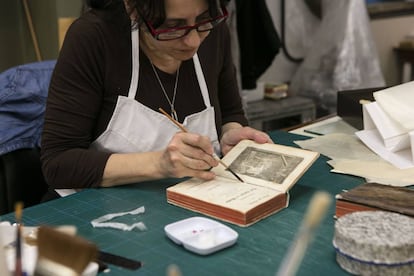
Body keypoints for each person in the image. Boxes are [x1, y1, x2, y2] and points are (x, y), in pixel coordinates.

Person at [40, 0, 273, 194]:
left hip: (191, 206)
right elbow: (59, 163)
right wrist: (159, 165)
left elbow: (230, 113)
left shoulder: (212, 31)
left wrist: (230, 134)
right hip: (98, 211)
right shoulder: (94, 37)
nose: (193, 41)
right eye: (173, 26)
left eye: (203, 19)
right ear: (133, 8)